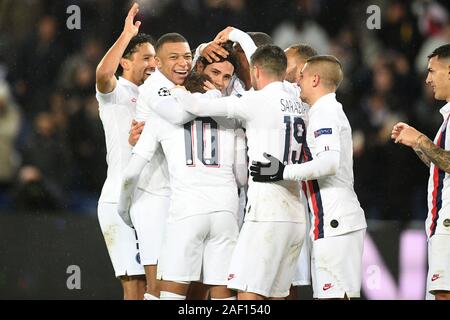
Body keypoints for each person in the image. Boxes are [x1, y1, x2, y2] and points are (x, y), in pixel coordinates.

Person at [173, 44, 308, 299]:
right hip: (295, 214)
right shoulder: (300, 103)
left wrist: (174, 89)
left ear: (256, 71)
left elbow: (198, 107)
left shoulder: (254, 101)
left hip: (265, 213)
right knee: (278, 296)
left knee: (247, 295)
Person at [118, 33, 246, 300]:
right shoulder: (231, 114)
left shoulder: (163, 115)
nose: (221, 82)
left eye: (187, 57)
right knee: (223, 296)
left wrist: (123, 209)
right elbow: (242, 175)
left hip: (185, 210)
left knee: (169, 294)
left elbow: (131, 171)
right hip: (225, 211)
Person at [250, 55, 367, 299]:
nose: (297, 81)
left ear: (315, 79)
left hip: (335, 219)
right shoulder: (326, 110)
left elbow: (328, 163)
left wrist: (283, 171)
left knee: (334, 296)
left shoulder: (325, 112)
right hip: (335, 218)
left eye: (301, 76)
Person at [95, 3, 169, 300]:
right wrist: (126, 36)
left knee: (160, 282)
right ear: (125, 62)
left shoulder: (157, 97)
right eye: (147, 58)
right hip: (119, 198)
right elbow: (102, 74)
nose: (154, 63)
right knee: (136, 285)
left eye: (156, 58)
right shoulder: (116, 93)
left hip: (151, 198)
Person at [391, 44, 450, 300]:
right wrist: (419, 148)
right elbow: (445, 170)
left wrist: (421, 140)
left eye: (432, 71)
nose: (427, 79)